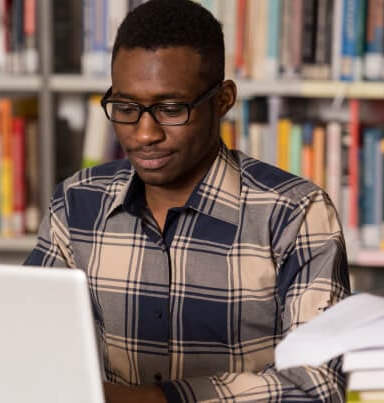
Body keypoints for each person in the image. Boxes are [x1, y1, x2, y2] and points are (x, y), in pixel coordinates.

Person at [24, 1, 350, 401]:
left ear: (223, 100)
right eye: (126, 108)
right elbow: (30, 349)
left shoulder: (296, 213)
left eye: (170, 109)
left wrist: (155, 399)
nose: (144, 134)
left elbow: (318, 386)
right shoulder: (77, 204)